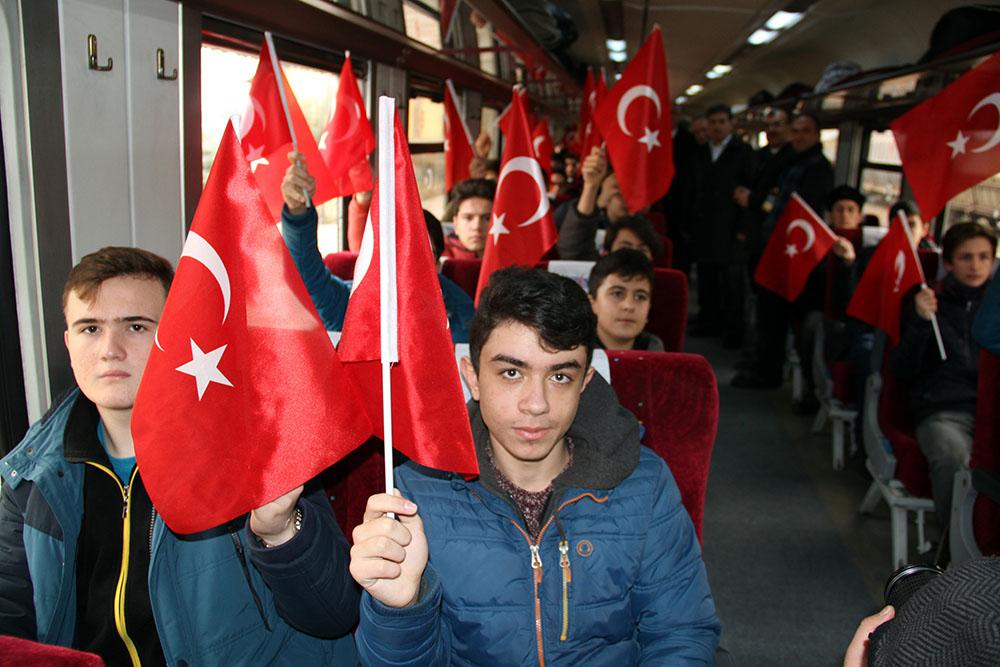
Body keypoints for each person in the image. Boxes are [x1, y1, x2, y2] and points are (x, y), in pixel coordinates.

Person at [0, 247, 360, 665]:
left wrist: (280, 533)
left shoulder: (252, 449)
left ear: (178, 335)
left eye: (135, 326)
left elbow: (333, 615)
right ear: (67, 342)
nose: (109, 350)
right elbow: (10, 617)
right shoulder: (29, 475)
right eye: (89, 328)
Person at [349, 267, 720, 665]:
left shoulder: (644, 484)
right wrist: (402, 610)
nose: (536, 404)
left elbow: (681, 635)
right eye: (512, 373)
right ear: (472, 378)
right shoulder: (413, 496)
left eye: (560, 376)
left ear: (585, 382)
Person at [280, 153, 474, 342]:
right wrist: (298, 212)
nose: (408, 265)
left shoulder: (460, 312)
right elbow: (307, 277)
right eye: (399, 253)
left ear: (437, 266)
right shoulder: (351, 304)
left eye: (422, 256)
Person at [890, 221, 997, 527]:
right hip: (943, 412)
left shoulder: (996, 310)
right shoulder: (925, 301)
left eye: (984, 257)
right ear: (948, 262)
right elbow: (901, 369)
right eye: (966, 257)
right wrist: (922, 322)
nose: (975, 265)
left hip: (991, 412)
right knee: (954, 459)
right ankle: (953, 551)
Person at [732, 112, 835, 389]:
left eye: (806, 131)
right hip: (774, 248)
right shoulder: (792, 161)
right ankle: (762, 363)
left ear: (816, 135)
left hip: (791, 254)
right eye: (796, 130)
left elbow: (803, 212)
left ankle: (768, 372)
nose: (799, 136)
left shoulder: (818, 169)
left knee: (775, 317)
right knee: (767, 314)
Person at [690, 104, 756, 348]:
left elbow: (751, 194)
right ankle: (709, 321)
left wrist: (743, 230)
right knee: (707, 279)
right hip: (705, 227)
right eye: (713, 122)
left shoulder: (744, 152)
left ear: (730, 124)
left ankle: (733, 331)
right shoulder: (700, 153)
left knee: (732, 285)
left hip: (731, 229)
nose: (717, 127)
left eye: (721, 122)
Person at [588, 249, 665, 351]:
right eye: (617, 294)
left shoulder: (653, 347)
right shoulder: (575, 353)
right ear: (592, 302)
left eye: (640, 297)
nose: (629, 306)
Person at [441, 177, 496, 258]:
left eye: (487, 218)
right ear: (455, 224)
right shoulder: (436, 259)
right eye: (468, 218)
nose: (477, 227)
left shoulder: (513, 255)